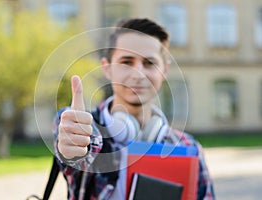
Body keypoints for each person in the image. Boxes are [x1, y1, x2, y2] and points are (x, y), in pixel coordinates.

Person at [53, 18, 215, 200]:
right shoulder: (83, 128)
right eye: (127, 62)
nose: (138, 74)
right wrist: (72, 149)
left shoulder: (188, 147)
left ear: (165, 70)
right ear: (107, 69)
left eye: (149, 63)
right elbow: (80, 156)